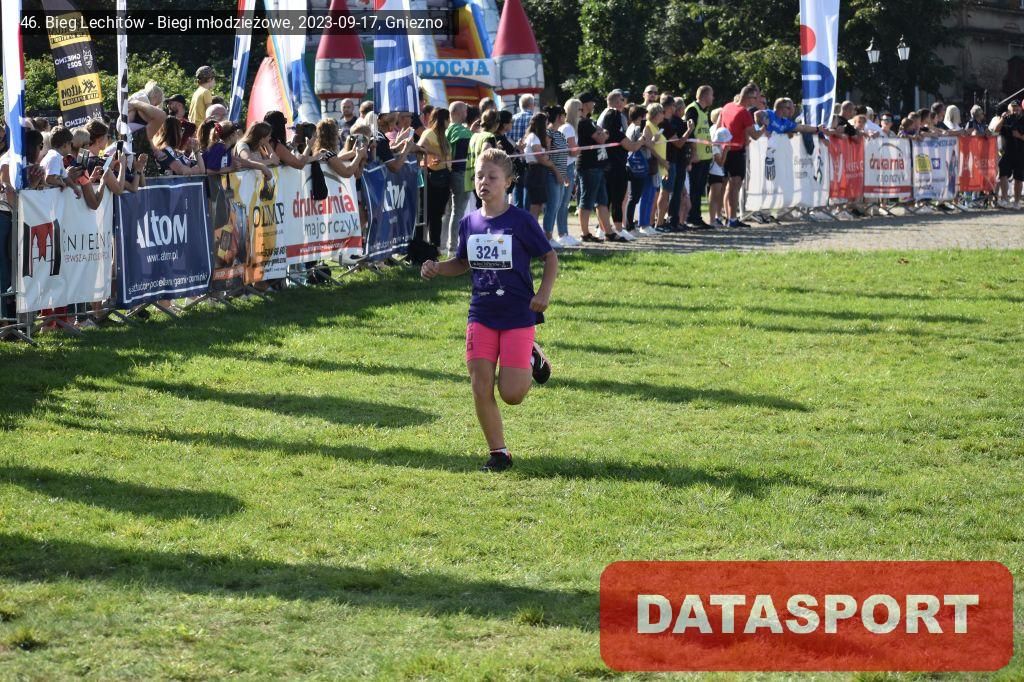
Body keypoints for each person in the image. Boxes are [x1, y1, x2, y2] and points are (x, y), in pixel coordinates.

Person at [420, 147, 558, 473]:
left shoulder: (521, 221)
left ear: (508, 182)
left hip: (518, 315)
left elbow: (549, 257)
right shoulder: (469, 222)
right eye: (479, 176)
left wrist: (543, 293)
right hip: (481, 313)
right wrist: (438, 268)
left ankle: (532, 355)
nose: (484, 182)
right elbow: (462, 263)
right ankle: (499, 453)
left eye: (492, 177)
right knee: (480, 385)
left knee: (511, 394)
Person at [576, 92, 625, 242]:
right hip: (588, 166)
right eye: (592, 102)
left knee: (602, 201)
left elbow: (603, 134)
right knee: (586, 201)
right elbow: (602, 138)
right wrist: (602, 133)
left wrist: (602, 132)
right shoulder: (584, 122)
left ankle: (608, 232)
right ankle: (585, 233)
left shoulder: (590, 121)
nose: (594, 105)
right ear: (585, 104)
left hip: (598, 166)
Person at [720, 84, 766, 227]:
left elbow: (721, 126)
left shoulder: (727, 106)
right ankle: (733, 219)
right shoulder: (744, 112)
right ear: (748, 97)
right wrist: (765, 126)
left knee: (729, 186)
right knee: (735, 186)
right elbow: (755, 135)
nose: (756, 101)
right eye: (755, 98)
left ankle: (727, 217)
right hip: (736, 152)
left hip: (726, 149)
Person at [597, 90, 635, 239]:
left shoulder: (604, 115)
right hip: (614, 164)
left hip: (608, 163)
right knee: (616, 198)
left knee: (607, 199)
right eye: (622, 100)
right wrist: (641, 141)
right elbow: (629, 145)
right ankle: (617, 229)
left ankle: (604, 228)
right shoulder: (613, 116)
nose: (624, 103)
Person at [419, 107, 453, 249]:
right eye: (448, 119)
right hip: (431, 177)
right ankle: (419, 245)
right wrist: (435, 153)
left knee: (437, 214)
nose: (449, 122)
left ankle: (435, 246)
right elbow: (419, 147)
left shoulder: (443, 135)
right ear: (443, 120)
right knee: (427, 214)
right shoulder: (429, 133)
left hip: (444, 177)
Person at [444, 101, 474, 256]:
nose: (466, 114)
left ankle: (444, 245)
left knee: (450, 212)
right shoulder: (463, 133)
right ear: (457, 113)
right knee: (458, 212)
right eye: (465, 111)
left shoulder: (447, 130)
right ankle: (453, 248)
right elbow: (464, 156)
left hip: (449, 174)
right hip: (461, 174)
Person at [685, 85, 714, 228]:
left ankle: (697, 217)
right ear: (705, 96)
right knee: (695, 188)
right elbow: (690, 133)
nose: (713, 98)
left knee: (699, 188)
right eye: (711, 95)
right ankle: (692, 218)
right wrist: (694, 152)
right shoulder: (693, 110)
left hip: (705, 156)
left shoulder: (703, 111)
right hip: (697, 157)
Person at [543, 106, 570, 248]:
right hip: (551, 175)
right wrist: (557, 173)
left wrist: (564, 174)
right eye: (564, 115)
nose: (565, 117)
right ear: (559, 116)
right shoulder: (548, 133)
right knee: (552, 206)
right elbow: (547, 157)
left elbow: (563, 156)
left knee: (557, 205)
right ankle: (547, 237)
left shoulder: (560, 134)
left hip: (560, 176)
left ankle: (549, 236)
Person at [557, 99, 582, 247]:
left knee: (563, 202)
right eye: (579, 109)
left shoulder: (565, 127)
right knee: (563, 202)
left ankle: (563, 232)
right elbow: (573, 151)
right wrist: (580, 149)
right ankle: (563, 233)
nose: (581, 112)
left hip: (564, 165)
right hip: (566, 166)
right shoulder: (569, 128)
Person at [994, 101, 1024, 207]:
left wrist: (1019, 136)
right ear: (1009, 109)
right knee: (1003, 174)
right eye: (1013, 108)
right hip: (1006, 152)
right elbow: (995, 130)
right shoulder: (1006, 119)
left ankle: (1016, 202)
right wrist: (1002, 118)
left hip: (1020, 152)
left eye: (1017, 108)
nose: (1015, 110)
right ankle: (1005, 199)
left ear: (1020, 109)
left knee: (1019, 178)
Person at [509, 94, 535, 208]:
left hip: (515, 158)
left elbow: (507, 138)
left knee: (517, 188)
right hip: (530, 158)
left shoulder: (513, 119)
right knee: (528, 189)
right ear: (532, 105)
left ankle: (518, 211)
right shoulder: (534, 119)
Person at [707, 108, 730, 227]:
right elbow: (719, 160)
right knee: (715, 193)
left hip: (718, 167)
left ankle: (717, 216)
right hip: (715, 166)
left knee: (719, 192)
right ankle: (712, 219)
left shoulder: (720, 130)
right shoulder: (715, 130)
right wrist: (725, 150)